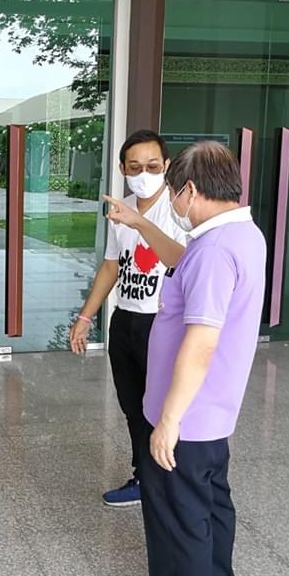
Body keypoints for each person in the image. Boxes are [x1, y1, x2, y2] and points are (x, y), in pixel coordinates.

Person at [110, 142, 266, 576]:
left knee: (179, 527)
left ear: (191, 190)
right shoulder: (240, 235)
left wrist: (169, 421)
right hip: (215, 415)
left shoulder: (215, 250)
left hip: (188, 419)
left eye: (174, 192)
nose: (173, 202)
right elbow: (185, 261)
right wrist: (141, 224)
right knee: (213, 511)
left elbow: (201, 342)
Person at [69, 130, 186, 508]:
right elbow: (111, 266)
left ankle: (171, 481)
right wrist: (86, 317)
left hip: (162, 323)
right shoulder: (120, 210)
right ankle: (143, 478)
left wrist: (140, 224)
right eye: (134, 167)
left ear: (166, 165)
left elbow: (182, 261)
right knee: (133, 406)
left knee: (163, 409)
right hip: (126, 320)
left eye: (152, 166)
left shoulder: (179, 209)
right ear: (122, 169)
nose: (143, 174)